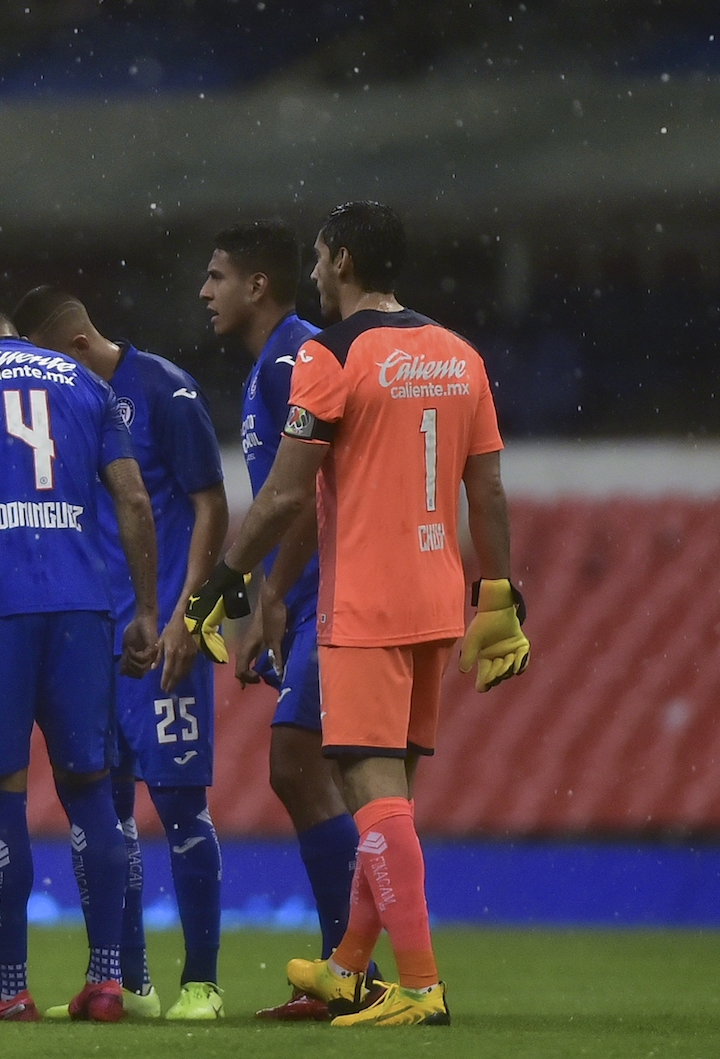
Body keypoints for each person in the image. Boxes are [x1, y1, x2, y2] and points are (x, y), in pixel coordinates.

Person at [188, 202, 530, 1028]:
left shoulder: (328, 354)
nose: (313, 273)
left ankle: (417, 985)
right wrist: (500, 595)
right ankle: (348, 966)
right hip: (437, 599)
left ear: (340, 261)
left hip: (365, 603)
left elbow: (287, 491)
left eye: (316, 258)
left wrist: (225, 582)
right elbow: (484, 490)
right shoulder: (459, 353)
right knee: (390, 797)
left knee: (367, 789)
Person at [0, 311, 161, 1023]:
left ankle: (12, 985)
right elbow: (134, 496)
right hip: (83, 607)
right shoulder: (86, 381)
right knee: (91, 791)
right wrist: (143, 610)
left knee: (0, 791)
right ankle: (107, 980)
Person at [16, 288, 229, 1021]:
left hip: (164, 635)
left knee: (178, 804)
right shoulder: (70, 409)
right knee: (105, 817)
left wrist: (186, 616)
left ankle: (201, 981)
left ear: (75, 347)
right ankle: (129, 980)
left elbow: (212, 504)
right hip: (93, 643)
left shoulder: (163, 390)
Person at [199, 220, 374, 1021]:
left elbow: (308, 487)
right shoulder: (274, 364)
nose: (205, 293)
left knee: (301, 763)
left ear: (257, 285)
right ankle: (353, 969)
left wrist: (268, 594)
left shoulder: (299, 358)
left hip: (330, 594)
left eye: (217, 277)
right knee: (318, 771)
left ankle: (353, 973)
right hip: (310, 596)